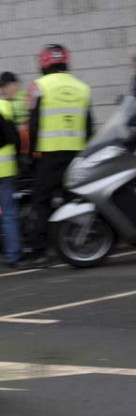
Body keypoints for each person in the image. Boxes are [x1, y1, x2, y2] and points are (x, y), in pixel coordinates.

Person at [26, 44, 93, 268]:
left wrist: (32, 153)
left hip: (49, 154)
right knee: (70, 199)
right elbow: (89, 127)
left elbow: (33, 124)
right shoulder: (83, 88)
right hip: (75, 154)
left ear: (44, 63)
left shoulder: (39, 87)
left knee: (41, 201)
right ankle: (72, 244)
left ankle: (40, 251)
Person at [0, 95, 23, 268]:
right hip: (5, 169)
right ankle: (13, 255)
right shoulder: (5, 106)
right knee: (8, 214)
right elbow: (14, 138)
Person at [0, 71, 32, 170]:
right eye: (1, 87)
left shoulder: (20, 101)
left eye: (5, 86)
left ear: (15, 84)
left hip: (24, 148)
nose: (2, 90)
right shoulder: (11, 101)